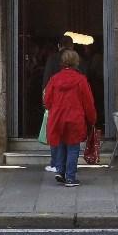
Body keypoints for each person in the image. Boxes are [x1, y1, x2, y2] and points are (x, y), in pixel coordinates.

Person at [43, 48, 96, 188]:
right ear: (76, 62)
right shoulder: (81, 80)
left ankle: (60, 171)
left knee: (60, 144)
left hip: (57, 118)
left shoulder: (54, 79)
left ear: (62, 62)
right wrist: (92, 119)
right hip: (75, 118)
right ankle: (70, 178)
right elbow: (88, 102)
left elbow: (47, 101)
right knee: (73, 147)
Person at [41, 34, 73, 173]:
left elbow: (46, 82)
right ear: (72, 46)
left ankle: (55, 163)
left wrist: (46, 103)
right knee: (71, 137)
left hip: (55, 104)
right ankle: (69, 167)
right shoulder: (78, 60)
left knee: (55, 133)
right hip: (72, 104)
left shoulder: (52, 59)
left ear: (58, 46)